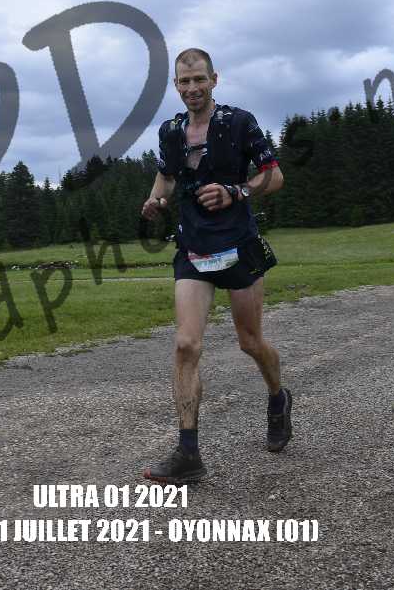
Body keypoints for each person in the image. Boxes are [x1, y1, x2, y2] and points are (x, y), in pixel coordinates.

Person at [139, 47, 290, 484]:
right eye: (184, 82)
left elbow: (274, 175)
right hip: (192, 249)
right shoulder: (170, 131)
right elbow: (168, 175)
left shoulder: (238, 122)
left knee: (250, 342)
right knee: (186, 345)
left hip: (239, 246)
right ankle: (188, 453)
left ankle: (277, 397)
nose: (192, 88)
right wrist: (156, 200)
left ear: (214, 80)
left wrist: (236, 191)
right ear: (176, 85)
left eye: (199, 80)